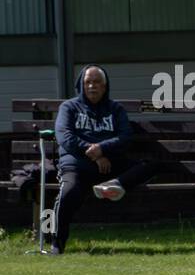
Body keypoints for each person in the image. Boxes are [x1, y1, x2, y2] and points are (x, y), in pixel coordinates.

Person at [52, 65, 162, 254]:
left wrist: (102, 148)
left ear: (105, 86)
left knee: (149, 165)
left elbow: (125, 136)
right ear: (81, 85)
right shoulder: (69, 107)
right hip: (77, 166)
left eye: (97, 82)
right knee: (67, 193)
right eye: (88, 82)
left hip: (109, 167)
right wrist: (94, 153)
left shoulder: (115, 109)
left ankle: (115, 184)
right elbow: (64, 137)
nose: (92, 86)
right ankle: (57, 244)